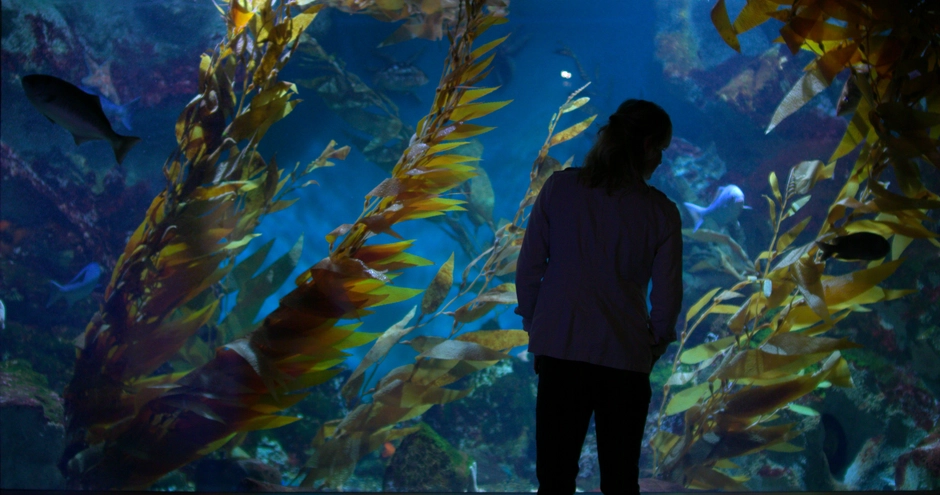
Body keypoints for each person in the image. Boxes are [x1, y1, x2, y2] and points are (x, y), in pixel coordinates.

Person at [515, 99, 683, 494]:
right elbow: (668, 295)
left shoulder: (559, 188)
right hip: (624, 358)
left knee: (554, 479)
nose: (659, 160)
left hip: (560, 350)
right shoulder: (661, 213)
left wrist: (538, 326)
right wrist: (654, 344)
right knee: (620, 481)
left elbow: (528, 270)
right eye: (660, 149)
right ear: (645, 146)